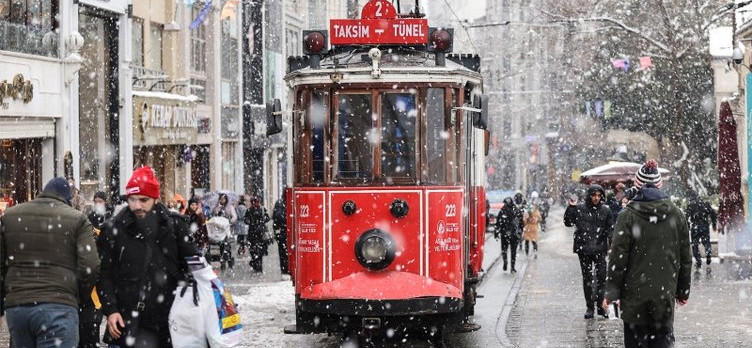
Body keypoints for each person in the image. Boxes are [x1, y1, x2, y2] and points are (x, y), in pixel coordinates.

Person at [97, 166, 199, 347]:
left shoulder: (175, 227)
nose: (137, 205)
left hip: (169, 323)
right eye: (132, 199)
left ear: (155, 198)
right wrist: (111, 310)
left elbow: (196, 269)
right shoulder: (113, 230)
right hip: (127, 323)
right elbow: (104, 274)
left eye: (143, 200)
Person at [0, 177, 101, 347]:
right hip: (59, 307)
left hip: (18, 307)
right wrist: (77, 295)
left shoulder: (10, 216)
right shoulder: (78, 219)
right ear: (67, 199)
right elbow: (90, 265)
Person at [603, 159, 692, 348]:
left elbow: (618, 258)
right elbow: (685, 258)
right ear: (660, 186)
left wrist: (612, 292)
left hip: (634, 297)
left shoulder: (627, 216)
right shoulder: (677, 215)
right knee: (663, 342)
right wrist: (682, 291)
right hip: (664, 296)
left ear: (637, 186)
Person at [564, 184, 613, 319]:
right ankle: (590, 307)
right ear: (589, 196)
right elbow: (568, 222)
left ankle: (600, 306)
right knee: (588, 279)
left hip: (600, 249)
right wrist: (571, 207)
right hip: (584, 249)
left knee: (601, 278)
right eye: (594, 195)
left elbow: (610, 228)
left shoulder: (606, 210)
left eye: (598, 195)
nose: (596, 198)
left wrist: (611, 242)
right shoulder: (580, 209)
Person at [685, 192, 717, 271]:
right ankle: (708, 254)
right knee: (706, 242)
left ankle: (698, 260)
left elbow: (686, 217)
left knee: (695, 245)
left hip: (695, 227)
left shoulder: (690, 206)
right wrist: (714, 224)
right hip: (704, 226)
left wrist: (688, 226)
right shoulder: (705, 204)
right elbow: (713, 213)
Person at [495, 197, 521, 273]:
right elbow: (518, 222)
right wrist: (518, 231)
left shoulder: (503, 210)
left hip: (505, 233)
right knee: (513, 251)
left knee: (504, 250)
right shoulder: (515, 210)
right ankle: (512, 266)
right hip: (512, 234)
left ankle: (506, 262)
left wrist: (496, 232)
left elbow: (498, 223)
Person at [245, 196, 270, 272]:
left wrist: (261, 221)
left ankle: (258, 265)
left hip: (260, 233)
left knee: (259, 251)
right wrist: (249, 221)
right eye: (253, 201)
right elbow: (245, 220)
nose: (254, 203)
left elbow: (267, 218)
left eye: (255, 201)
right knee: (253, 250)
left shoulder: (262, 209)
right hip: (253, 233)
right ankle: (255, 263)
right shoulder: (249, 210)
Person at [273, 192, 289, 275]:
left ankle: (285, 269)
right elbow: (278, 217)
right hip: (284, 231)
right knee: (284, 251)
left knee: (282, 251)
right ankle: (285, 269)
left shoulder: (280, 203)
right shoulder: (282, 204)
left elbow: (275, 217)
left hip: (282, 231)